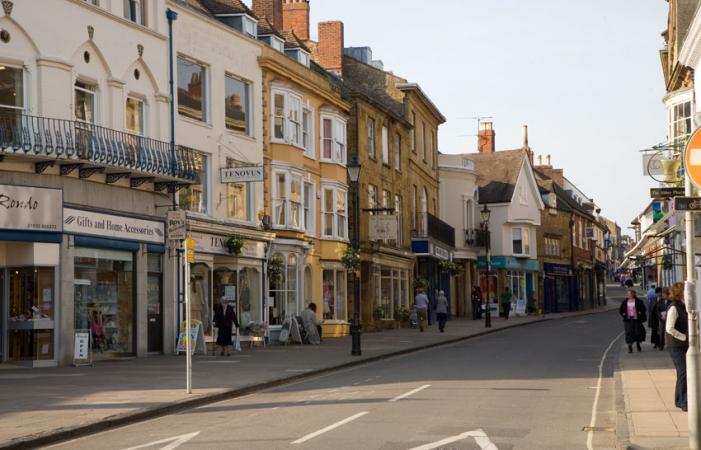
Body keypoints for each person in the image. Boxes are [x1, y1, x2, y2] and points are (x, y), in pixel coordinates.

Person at [666, 282, 688, 411]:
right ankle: (683, 401)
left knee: (683, 373)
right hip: (676, 345)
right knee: (683, 372)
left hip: (683, 345)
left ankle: (679, 400)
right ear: (679, 293)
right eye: (685, 291)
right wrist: (684, 337)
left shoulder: (683, 306)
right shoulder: (674, 307)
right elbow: (669, 328)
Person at [619, 289, 647, 353]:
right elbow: (621, 310)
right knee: (629, 332)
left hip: (636, 319)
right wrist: (623, 314)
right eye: (628, 294)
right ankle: (630, 347)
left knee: (637, 332)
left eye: (630, 294)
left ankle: (638, 343)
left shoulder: (638, 301)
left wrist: (640, 313)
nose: (628, 295)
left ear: (633, 294)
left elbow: (643, 309)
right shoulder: (625, 302)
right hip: (628, 319)